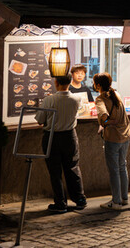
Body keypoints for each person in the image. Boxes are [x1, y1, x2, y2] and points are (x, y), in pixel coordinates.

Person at [34, 75, 87, 213]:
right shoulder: (76, 99)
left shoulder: (49, 99)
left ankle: (60, 203)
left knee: (55, 171)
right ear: (70, 82)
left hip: (52, 137)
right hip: (70, 136)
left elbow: (40, 120)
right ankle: (80, 199)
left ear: (55, 82)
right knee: (73, 167)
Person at [93, 72, 130, 210]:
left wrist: (107, 122)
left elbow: (104, 116)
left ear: (98, 85)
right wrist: (104, 125)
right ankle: (124, 198)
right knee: (122, 166)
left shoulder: (100, 99)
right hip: (125, 136)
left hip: (113, 138)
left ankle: (116, 202)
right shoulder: (116, 94)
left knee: (114, 170)